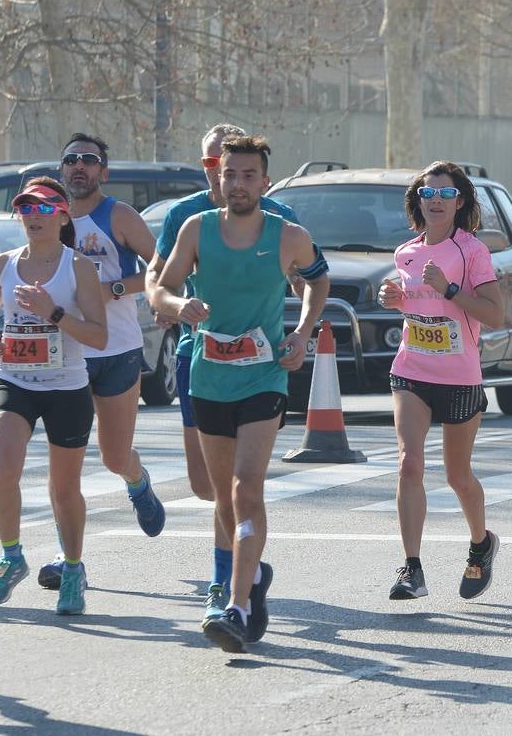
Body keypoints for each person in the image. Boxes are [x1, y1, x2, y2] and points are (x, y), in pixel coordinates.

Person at [153, 134, 328, 652]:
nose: (239, 184)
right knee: (223, 493)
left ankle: (235, 604)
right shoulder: (196, 229)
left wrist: (301, 332)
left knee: (247, 486)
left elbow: (319, 279)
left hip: (264, 376)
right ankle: (250, 578)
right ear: (218, 177)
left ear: (265, 182)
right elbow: (161, 286)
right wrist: (178, 305)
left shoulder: (287, 235)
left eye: (249, 175)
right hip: (209, 375)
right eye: (231, 174)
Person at [38, 133, 165, 591]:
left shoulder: (119, 216)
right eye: (71, 159)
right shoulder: (46, 216)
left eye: (89, 161)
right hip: (66, 352)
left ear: (103, 172)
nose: (79, 167)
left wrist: (113, 288)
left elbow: (162, 268)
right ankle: (66, 555)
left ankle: (137, 479)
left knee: (113, 457)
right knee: (63, 466)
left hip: (116, 349)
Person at [0, 178, 108, 614]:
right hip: (12, 380)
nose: (34, 216)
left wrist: (52, 312)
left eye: (45, 208)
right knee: (1, 468)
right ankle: (11, 557)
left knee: (64, 489)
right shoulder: (2, 264)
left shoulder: (79, 268)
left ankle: (72, 569)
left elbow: (100, 336)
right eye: (26, 208)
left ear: (63, 215)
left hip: (66, 385)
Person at [378, 161, 505, 601]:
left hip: (459, 377)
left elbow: (493, 314)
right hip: (411, 370)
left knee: (458, 476)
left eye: (445, 194)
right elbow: (419, 307)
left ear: (460, 202)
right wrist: (396, 299)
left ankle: (481, 543)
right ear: (417, 200)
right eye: (427, 193)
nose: (435, 200)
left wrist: (452, 289)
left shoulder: (472, 251)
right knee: (410, 463)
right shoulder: (406, 253)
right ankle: (412, 568)